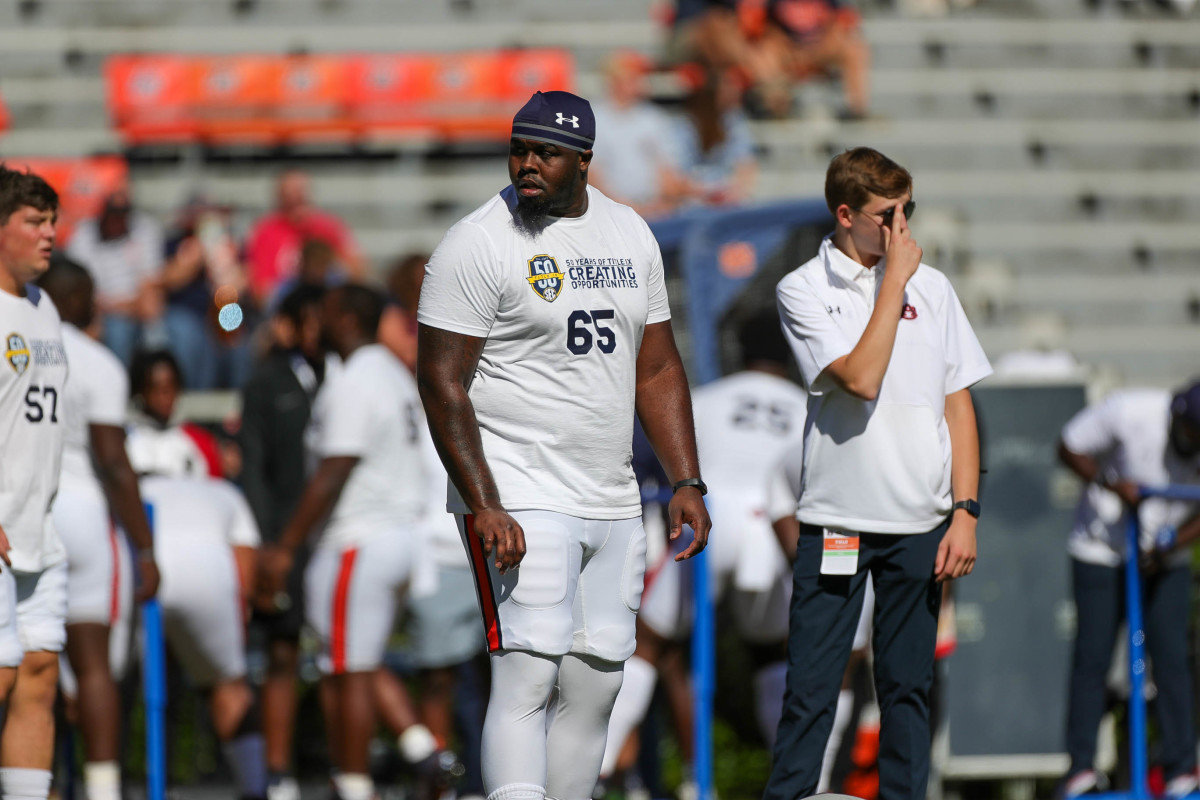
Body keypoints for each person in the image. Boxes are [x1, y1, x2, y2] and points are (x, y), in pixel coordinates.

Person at [416, 90, 711, 800]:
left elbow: (660, 366)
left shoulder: (630, 232)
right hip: (518, 492)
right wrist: (484, 503)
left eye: (544, 152)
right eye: (518, 149)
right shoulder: (479, 240)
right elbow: (440, 382)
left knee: (597, 680)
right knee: (528, 670)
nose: (526, 165)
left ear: (583, 161)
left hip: (610, 495)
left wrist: (687, 481)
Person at [764, 146, 991, 800]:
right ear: (845, 215)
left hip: (920, 522)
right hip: (837, 520)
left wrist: (966, 512)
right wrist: (893, 282)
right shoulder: (804, 288)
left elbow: (959, 403)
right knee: (810, 691)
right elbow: (860, 380)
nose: (904, 228)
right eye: (889, 214)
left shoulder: (935, 286)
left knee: (907, 691)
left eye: (909, 210)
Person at [600, 310, 806, 789]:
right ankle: (797, 784)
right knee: (773, 654)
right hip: (776, 527)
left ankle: (600, 767)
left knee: (648, 644)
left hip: (714, 520)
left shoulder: (709, 398)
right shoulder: (805, 405)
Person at [257, 284, 444, 800]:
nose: (314, 322)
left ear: (344, 320)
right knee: (354, 662)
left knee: (348, 673)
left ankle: (357, 784)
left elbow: (335, 469)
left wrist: (286, 546)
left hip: (361, 538)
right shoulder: (389, 372)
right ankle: (415, 751)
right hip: (401, 535)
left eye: (324, 313)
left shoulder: (356, 379)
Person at [37, 255, 162, 800]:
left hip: (28, 511)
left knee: (25, 658)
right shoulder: (97, 361)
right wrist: (145, 546)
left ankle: (31, 783)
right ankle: (103, 787)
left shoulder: (13, 344)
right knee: (93, 668)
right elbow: (113, 461)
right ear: (78, 296)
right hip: (86, 514)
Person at [1056, 381, 1200, 799]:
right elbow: (1068, 446)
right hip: (1103, 548)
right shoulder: (1131, 412)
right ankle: (1081, 769)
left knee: (1171, 659)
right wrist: (1110, 482)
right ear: (1178, 420)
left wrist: (1174, 542)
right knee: (1093, 657)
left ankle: (1180, 771)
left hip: (1162, 555)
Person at [129, 468, 269, 800]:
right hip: (209, 573)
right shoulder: (223, 491)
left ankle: (101, 784)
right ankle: (255, 790)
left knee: (108, 682)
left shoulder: (135, 484)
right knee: (229, 686)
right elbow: (245, 568)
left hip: (143, 567)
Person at [240, 284, 328, 800]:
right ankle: (278, 772)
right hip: (286, 538)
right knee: (281, 650)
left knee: (347, 654)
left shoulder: (344, 376)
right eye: (311, 321)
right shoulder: (265, 383)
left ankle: (343, 765)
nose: (320, 332)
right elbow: (254, 467)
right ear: (291, 327)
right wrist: (268, 541)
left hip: (337, 535)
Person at [0, 164, 69, 800]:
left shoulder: (45, 308)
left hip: (37, 527)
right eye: (33, 222)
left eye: (52, 222)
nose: (49, 234)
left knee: (39, 674)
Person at [160, 196, 255, 389]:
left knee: (238, 345)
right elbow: (166, 280)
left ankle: (235, 407)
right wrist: (195, 258)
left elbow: (244, 282)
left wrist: (224, 266)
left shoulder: (229, 245)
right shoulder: (175, 244)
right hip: (187, 314)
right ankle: (194, 402)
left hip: (223, 312)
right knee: (192, 339)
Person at [65, 188, 166, 368]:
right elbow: (86, 292)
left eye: (123, 213)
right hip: (101, 314)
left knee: (177, 331)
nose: (118, 220)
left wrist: (136, 305)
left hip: (139, 312)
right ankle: (121, 389)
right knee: (118, 332)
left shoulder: (143, 229)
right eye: (113, 213)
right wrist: (128, 305)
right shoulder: (84, 235)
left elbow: (150, 290)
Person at [589, 51, 689, 220]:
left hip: (653, 210)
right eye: (634, 77)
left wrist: (661, 204)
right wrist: (623, 207)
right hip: (607, 213)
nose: (641, 83)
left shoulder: (654, 119)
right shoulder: (593, 118)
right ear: (615, 80)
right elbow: (591, 175)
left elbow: (667, 170)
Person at [245, 170, 364, 305]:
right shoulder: (265, 232)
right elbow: (260, 289)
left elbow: (356, 270)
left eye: (300, 191)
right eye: (290, 193)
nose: (296, 197)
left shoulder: (329, 227)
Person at [124, 350, 224, 480]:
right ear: (141, 390)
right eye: (156, 388)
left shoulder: (201, 443)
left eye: (170, 387)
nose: (165, 396)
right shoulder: (124, 442)